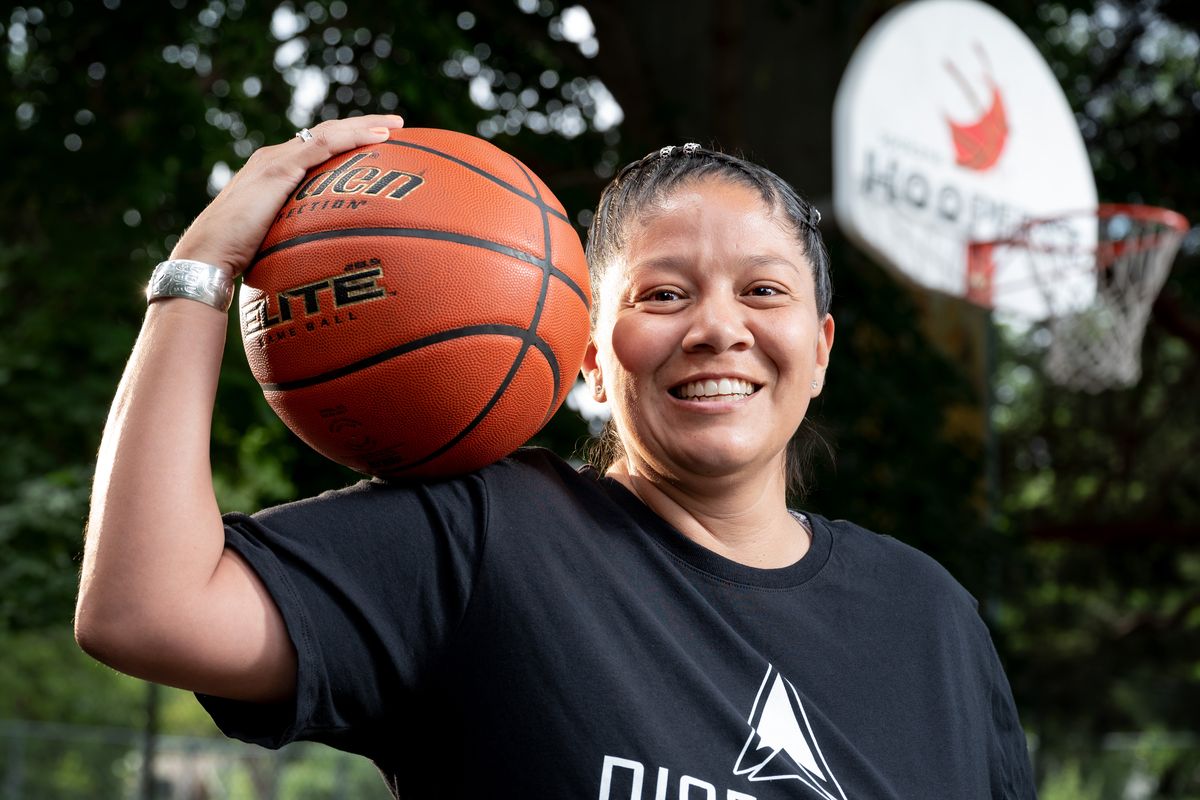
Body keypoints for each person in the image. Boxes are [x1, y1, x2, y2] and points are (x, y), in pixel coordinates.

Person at [76, 116, 1037, 799]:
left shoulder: (931, 621)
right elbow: (142, 610)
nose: (717, 329)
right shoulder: (486, 539)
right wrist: (200, 270)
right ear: (586, 352)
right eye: (662, 296)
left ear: (820, 348)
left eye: (763, 291)